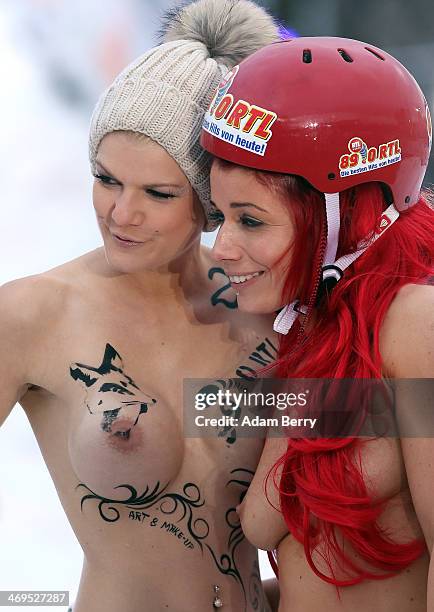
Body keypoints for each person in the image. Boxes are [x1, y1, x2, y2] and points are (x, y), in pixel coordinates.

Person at [0, 1, 282, 610]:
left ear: (211, 200)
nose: (120, 214)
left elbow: (377, 495)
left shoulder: (270, 309)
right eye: (105, 179)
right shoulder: (32, 313)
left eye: (157, 192)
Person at [201, 36, 434, 611]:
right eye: (219, 214)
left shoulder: (414, 323)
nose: (221, 245)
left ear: (343, 217)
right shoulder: (311, 320)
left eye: (250, 221)